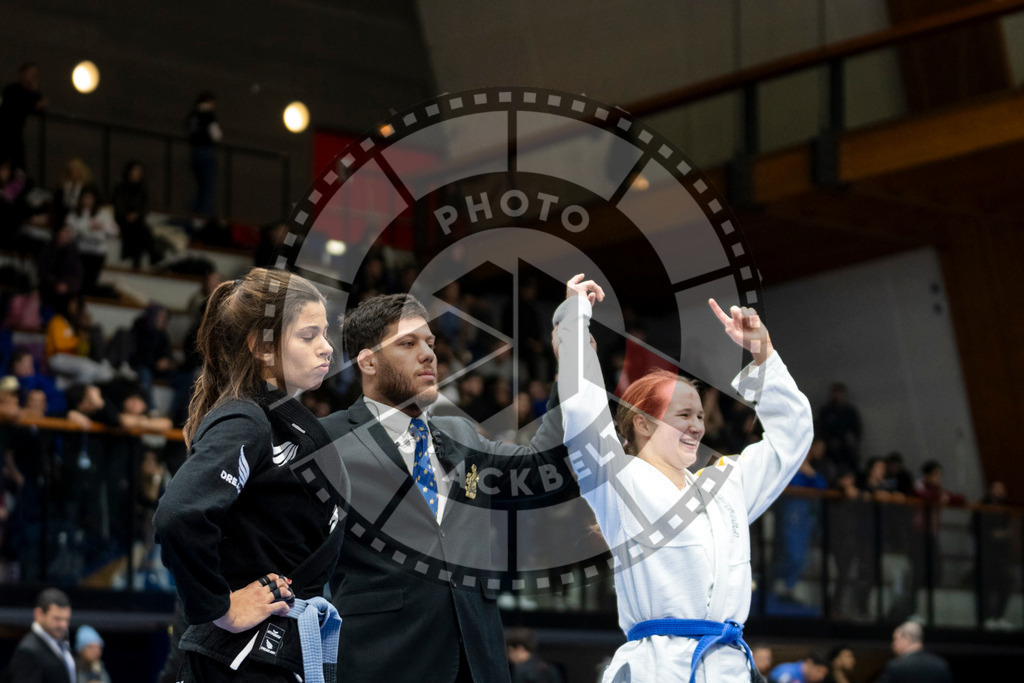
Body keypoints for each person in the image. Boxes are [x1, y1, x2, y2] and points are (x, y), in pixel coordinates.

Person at [553, 274, 814, 683]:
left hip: (729, 664)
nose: (696, 427)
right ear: (641, 423)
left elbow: (791, 438)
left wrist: (763, 355)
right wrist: (573, 322)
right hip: (657, 667)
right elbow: (584, 415)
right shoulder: (619, 481)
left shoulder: (725, 485)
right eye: (682, 416)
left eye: (699, 416)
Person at [322, 292, 572, 683]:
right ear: (367, 361)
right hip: (382, 660)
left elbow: (540, 468)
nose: (428, 354)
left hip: (479, 659)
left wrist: (570, 363)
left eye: (431, 343)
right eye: (408, 343)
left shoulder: (458, 431)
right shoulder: (327, 439)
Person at [153, 268, 346, 682]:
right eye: (309, 336)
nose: (326, 348)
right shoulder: (248, 418)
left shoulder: (281, 423)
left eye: (325, 334)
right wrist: (220, 607)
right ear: (262, 347)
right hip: (241, 656)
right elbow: (179, 514)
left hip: (271, 651)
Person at [0, 587, 75, 683]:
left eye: (66, 619)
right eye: (57, 619)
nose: (63, 625)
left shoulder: (62, 644)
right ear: (38, 614)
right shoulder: (28, 651)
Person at [65, 184, 118, 295]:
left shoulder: (103, 213)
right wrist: (85, 228)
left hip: (97, 253)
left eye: (90, 198)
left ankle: (110, 291)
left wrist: (102, 227)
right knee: (77, 284)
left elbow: (115, 231)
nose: (87, 201)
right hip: (80, 252)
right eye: (85, 197)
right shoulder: (74, 213)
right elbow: (69, 232)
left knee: (89, 285)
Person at [0, 62, 46, 173]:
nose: (32, 76)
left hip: (17, 134)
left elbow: (40, 107)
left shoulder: (32, 93)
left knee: (18, 169)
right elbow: (18, 106)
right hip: (4, 133)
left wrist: (34, 92)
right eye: (30, 73)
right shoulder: (11, 90)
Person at [112, 160, 156, 269]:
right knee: (138, 230)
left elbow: (145, 206)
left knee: (141, 230)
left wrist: (136, 214)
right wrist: (127, 215)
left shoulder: (142, 190)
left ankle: (138, 258)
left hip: (137, 220)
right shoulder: (120, 188)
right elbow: (118, 205)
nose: (135, 175)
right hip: (122, 219)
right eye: (133, 172)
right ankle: (151, 256)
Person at [876, 621, 953, 683]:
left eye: (896, 639)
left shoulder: (896, 667)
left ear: (907, 637)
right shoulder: (940, 665)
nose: (893, 644)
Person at [186, 91, 222, 216]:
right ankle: (204, 212)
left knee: (200, 184)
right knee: (207, 185)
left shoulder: (193, 115)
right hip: (206, 151)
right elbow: (216, 135)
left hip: (194, 152)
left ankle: (197, 209)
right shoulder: (209, 116)